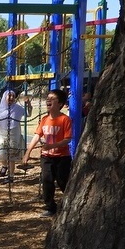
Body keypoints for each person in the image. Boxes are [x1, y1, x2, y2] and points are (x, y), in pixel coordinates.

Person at [22, 88, 73, 217]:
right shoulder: (44, 119)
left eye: (52, 99)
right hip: (47, 157)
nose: (48, 100)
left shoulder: (65, 120)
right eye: (47, 98)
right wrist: (27, 153)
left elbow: (67, 139)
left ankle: (71, 204)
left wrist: (52, 145)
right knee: (47, 180)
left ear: (60, 104)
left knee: (63, 181)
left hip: (62, 157)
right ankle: (51, 207)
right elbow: (37, 136)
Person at [0, 90, 27, 184]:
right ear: (5, 97)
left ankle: (11, 176)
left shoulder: (17, 108)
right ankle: (4, 166)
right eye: (9, 96)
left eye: (13, 96)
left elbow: (28, 114)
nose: (11, 98)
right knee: (0, 152)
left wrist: (29, 104)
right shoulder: (0, 110)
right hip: (2, 134)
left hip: (14, 135)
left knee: (11, 156)